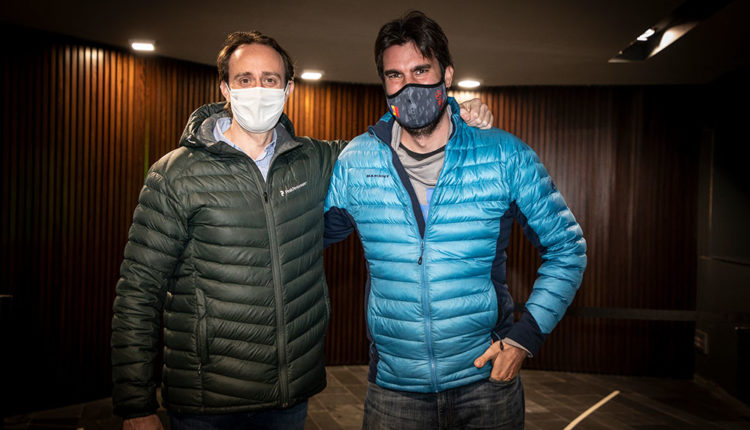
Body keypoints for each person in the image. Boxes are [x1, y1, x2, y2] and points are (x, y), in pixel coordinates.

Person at [111, 30, 493, 430]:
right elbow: (138, 292)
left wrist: (454, 110)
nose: (258, 90)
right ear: (225, 88)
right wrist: (136, 406)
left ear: (288, 88)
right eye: (245, 79)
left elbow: (390, 145)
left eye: (270, 79)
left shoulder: (315, 160)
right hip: (207, 401)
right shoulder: (176, 174)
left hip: (288, 394)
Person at [324, 11, 587, 430]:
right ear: (384, 85)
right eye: (395, 75)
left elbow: (568, 249)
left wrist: (523, 339)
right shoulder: (357, 161)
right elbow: (297, 237)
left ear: (446, 75)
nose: (408, 85)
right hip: (394, 392)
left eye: (421, 70)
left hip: (486, 384)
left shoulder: (503, 155)